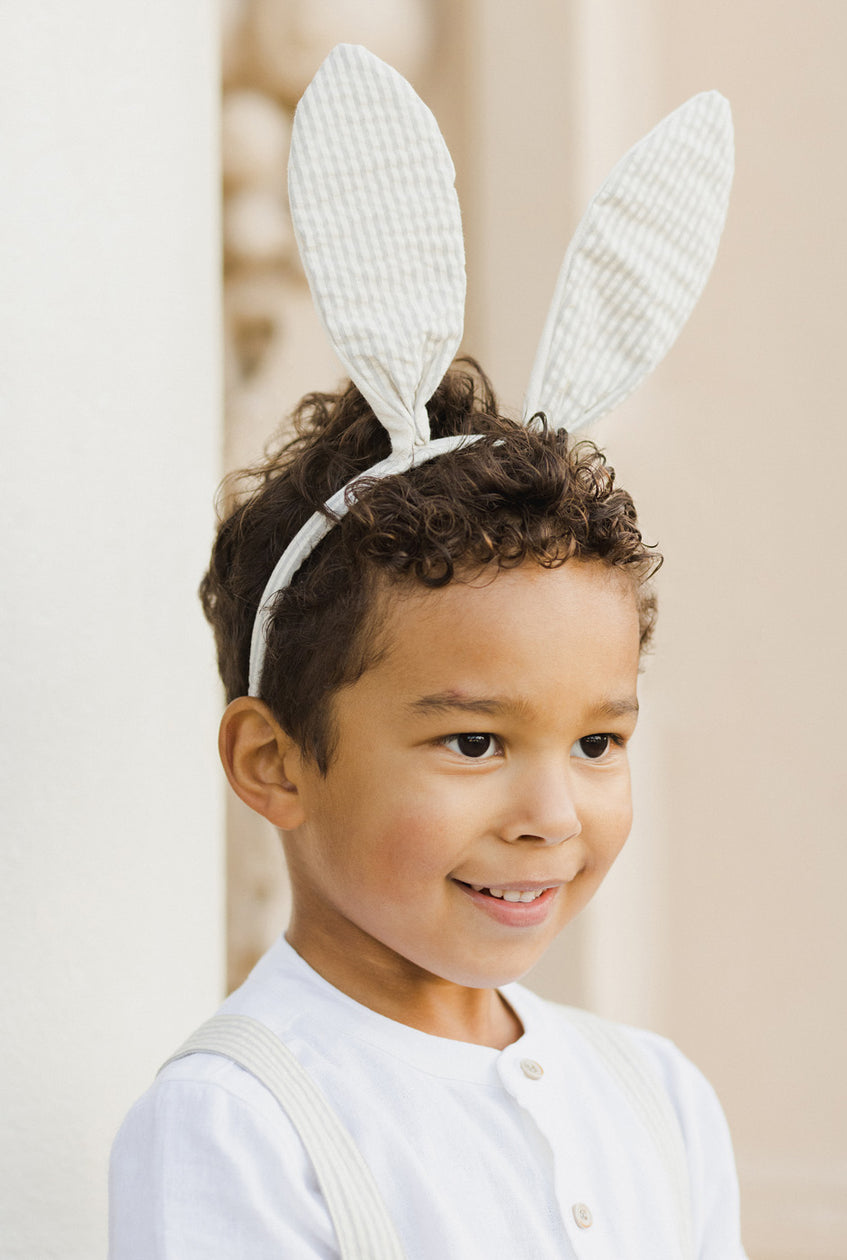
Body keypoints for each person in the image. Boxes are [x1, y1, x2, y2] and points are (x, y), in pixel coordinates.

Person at [109, 44, 746, 1259]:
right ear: (276, 760)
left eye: (599, 740)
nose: (551, 814)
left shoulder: (659, 1103)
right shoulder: (237, 1126)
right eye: (474, 739)